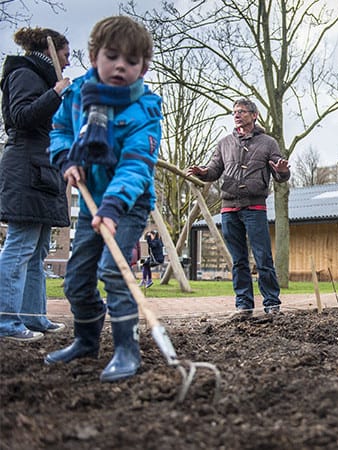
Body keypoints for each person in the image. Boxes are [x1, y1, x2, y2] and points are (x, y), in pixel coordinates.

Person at [44, 16, 162, 383]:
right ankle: (86, 340)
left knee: (115, 269)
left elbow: (135, 165)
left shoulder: (145, 110)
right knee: (76, 280)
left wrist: (112, 208)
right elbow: (61, 130)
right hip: (93, 198)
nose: (121, 66)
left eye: (132, 61)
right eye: (112, 56)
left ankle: (127, 348)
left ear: (144, 66)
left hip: (127, 203)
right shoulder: (78, 93)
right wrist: (67, 159)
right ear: (94, 55)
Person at [186, 97, 290, 315]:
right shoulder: (224, 143)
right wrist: (202, 172)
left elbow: (280, 175)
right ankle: (243, 305)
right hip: (229, 207)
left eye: (242, 111)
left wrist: (281, 170)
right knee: (238, 260)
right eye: (234, 112)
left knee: (262, 257)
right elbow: (214, 170)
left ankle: (272, 303)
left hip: (254, 207)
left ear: (254, 115)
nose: (237, 115)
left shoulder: (268, 143)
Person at [0, 27, 71, 342]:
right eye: (66, 55)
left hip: (43, 171)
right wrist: (55, 94)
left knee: (38, 249)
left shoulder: (41, 80)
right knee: (20, 247)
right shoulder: (25, 74)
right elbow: (20, 117)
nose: (68, 62)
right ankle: (6, 320)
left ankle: (33, 317)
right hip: (26, 170)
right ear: (51, 51)